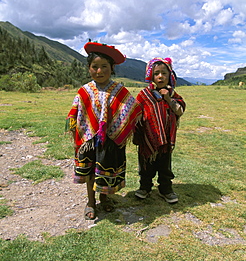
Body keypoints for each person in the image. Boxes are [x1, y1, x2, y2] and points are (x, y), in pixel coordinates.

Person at [66, 41, 141, 220]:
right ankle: (90, 202)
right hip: (89, 139)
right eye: (95, 67)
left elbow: (133, 108)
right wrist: (79, 129)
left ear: (112, 68)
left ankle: (104, 197)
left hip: (111, 140)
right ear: (89, 68)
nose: (99, 71)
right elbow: (75, 113)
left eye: (104, 67)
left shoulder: (119, 90)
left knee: (107, 169)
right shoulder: (84, 90)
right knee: (91, 170)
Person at [133, 57, 186, 203]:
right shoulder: (144, 95)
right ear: (151, 76)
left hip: (166, 140)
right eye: (156, 73)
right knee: (145, 167)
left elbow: (179, 111)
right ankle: (145, 187)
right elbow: (136, 113)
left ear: (170, 75)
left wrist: (168, 99)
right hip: (147, 139)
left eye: (164, 73)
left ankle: (166, 189)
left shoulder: (173, 95)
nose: (160, 76)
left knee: (165, 167)